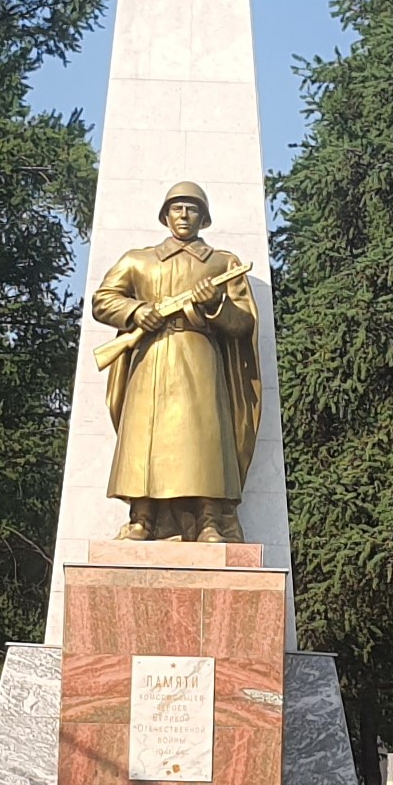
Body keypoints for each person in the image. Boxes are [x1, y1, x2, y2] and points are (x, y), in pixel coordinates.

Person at [91, 181, 260, 542]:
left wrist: (216, 303)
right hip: (149, 357)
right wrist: (137, 310)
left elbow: (244, 322)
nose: (184, 215)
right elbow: (102, 300)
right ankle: (142, 518)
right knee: (142, 437)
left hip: (199, 355)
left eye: (192, 209)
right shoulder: (138, 259)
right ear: (166, 215)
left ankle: (209, 520)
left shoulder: (222, 263)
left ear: (204, 217)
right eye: (177, 208)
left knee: (205, 437)